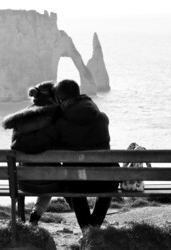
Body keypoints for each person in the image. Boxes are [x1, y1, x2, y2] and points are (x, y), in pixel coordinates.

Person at [53, 79, 119, 231]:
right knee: (108, 180)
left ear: (61, 100)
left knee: (71, 181)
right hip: (104, 181)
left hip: (77, 182)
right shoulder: (102, 119)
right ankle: (93, 229)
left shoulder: (60, 124)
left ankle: (88, 231)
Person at [2, 81, 61, 225]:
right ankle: (35, 217)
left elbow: (14, 146)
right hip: (50, 182)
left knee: (44, 173)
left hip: (23, 182)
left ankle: (28, 221)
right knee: (55, 178)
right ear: (54, 97)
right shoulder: (57, 118)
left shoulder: (20, 119)